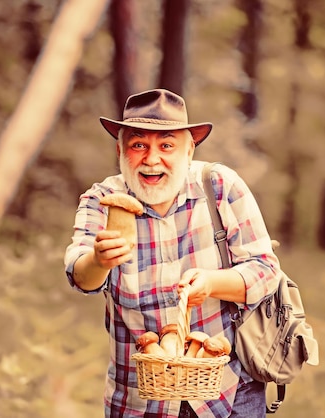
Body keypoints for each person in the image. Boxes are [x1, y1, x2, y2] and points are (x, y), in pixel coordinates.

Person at [64, 88, 282, 418]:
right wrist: (98, 261)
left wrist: (211, 283)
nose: (152, 159)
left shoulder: (219, 186)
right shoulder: (103, 200)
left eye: (166, 146)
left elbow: (266, 271)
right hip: (139, 400)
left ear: (189, 149)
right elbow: (80, 275)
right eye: (139, 145)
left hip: (229, 392)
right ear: (120, 149)